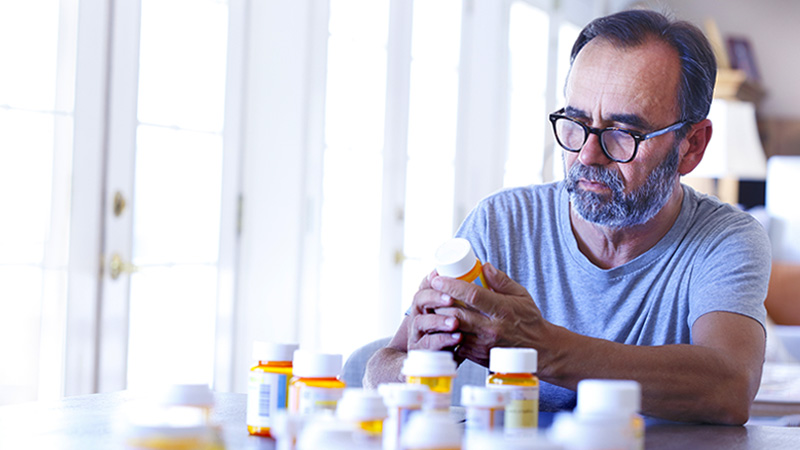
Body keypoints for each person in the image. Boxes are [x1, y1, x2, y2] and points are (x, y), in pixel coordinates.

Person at [363, 9, 771, 425]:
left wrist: (541, 348)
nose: (587, 156)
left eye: (623, 134)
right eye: (575, 123)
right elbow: (381, 367)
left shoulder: (725, 239)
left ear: (692, 146)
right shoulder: (502, 224)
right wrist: (415, 365)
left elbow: (730, 387)